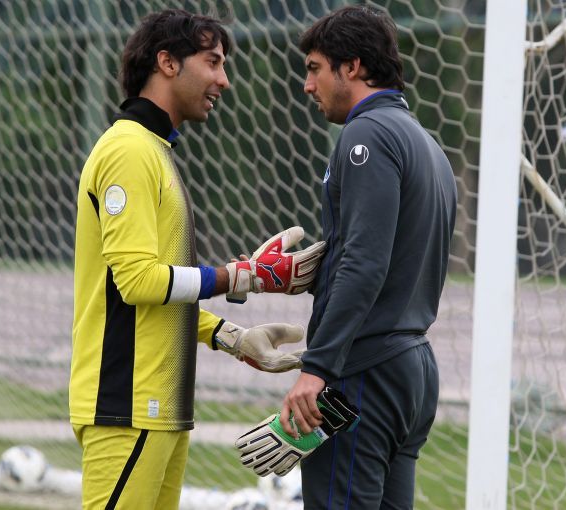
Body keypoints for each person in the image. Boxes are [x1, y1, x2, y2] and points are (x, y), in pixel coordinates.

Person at [69, 9, 323, 510]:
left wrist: (231, 337)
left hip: (159, 412)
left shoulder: (155, 150)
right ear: (167, 62)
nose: (223, 80)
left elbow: (154, 298)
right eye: (213, 61)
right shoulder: (128, 151)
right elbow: (137, 282)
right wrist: (242, 277)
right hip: (127, 406)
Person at [278, 6, 457, 508]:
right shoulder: (428, 145)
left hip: (363, 371)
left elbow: (365, 262)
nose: (308, 85)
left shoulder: (367, 134)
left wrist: (316, 368)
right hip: (412, 368)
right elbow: (388, 257)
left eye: (315, 68)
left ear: (352, 66)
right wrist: (308, 272)